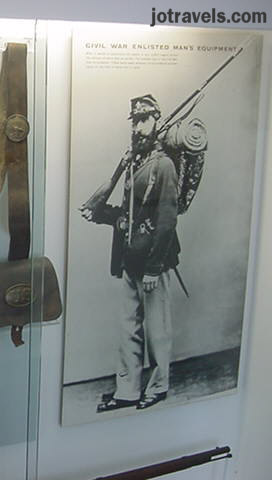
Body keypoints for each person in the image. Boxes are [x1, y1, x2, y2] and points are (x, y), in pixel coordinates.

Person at [81, 94, 181, 411]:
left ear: (156, 121)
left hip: (153, 261)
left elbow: (166, 221)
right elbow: (131, 214)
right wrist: (100, 213)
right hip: (129, 258)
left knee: (157, 330)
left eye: (144, 120)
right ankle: (127, 390)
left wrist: (153, 267)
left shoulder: (163, 165)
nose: (138, 127)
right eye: (135, 121)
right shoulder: (134, 162)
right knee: (128, 328)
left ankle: (159, 386)